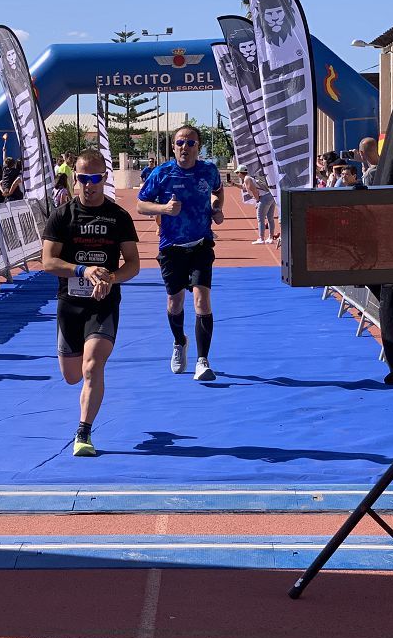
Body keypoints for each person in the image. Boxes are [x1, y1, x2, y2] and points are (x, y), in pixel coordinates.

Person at [42, 148, 140, 456]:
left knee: (92, 366)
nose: (90, 185)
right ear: (75, 179)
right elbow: (47, 262)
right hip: (69, 303)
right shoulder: (62, 216)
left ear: (104, 178)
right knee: (72, 376)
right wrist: (83, 270)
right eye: (83, 178)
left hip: (103, 304)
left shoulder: (118, 217)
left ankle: (83, 433)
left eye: (96, 178)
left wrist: (110, 278)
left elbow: (133, 264)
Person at [137, 125, 225, 381]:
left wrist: (217, 207)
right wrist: (164, 209)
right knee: (174, 303)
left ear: (198, 146)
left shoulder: (208, 170)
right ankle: (179, 342)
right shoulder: (161, 173)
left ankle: (203, 360)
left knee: (201, 300)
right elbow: (141, 205)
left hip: (200, 244)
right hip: (171, 248)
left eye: (190, 143)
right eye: (179, 143)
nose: (184, 147)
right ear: (173, 146)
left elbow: (218, 190)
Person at [239, 165, 276, 245]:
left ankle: (261, 238)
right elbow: (244, 187)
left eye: (237, 172)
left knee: (260, 218)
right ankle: (270, 238)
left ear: (240, 173)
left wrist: (257, 201)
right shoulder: (250, 178)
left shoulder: (247, 179)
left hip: (264, 198)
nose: (237, 174)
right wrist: (233, 184)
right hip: (270, 195)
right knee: (270, 218)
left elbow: (254, 191)